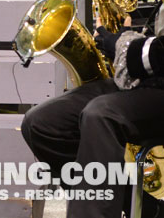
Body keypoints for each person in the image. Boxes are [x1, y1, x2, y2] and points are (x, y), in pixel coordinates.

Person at [21, 16, 164, 218]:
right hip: (147, 79)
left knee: (101, 115)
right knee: (42, 123)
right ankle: (151, 210)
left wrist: (121, 43)